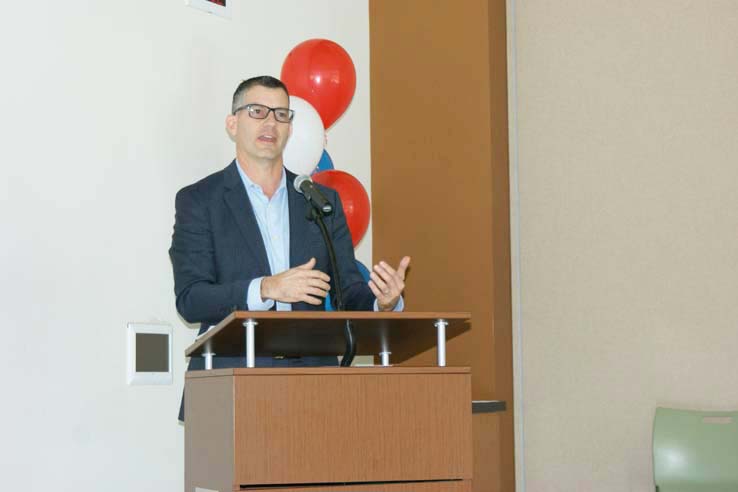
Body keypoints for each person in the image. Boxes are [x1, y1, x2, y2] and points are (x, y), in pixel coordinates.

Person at [170, 76, 410, 418]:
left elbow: (348, 291)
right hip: (230, 388)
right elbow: (191, 299)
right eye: (258, 111)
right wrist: (267, 288)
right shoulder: (199, 201)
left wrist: (382, 303)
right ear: (233, 123)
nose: (271, 122)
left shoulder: (319, 200)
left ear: (290, 128)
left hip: (314, 387)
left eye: (282, 114)